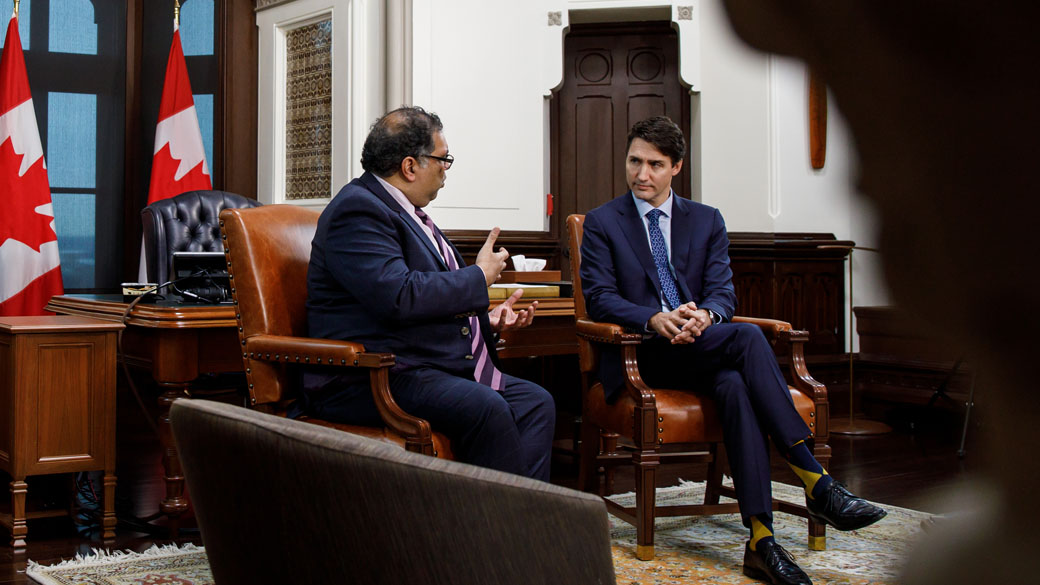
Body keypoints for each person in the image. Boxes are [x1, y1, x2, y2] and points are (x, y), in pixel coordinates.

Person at [579, 116, 886, 585]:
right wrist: (655, 319)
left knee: (735, 385)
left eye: (655, 165)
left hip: (702, 347)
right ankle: (813, 478)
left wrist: (707, 316)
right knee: (747, 339)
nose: (641, 174)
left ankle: (761, 541)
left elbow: (723, 294)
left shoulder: (706, 220)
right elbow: (599, 296)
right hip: (643, 352)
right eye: (634, 161)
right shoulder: (603, 222)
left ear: (676, 167)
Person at [302, 106, 555, 481]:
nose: (446, 169)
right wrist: (479, 276)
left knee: (536, 402)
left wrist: (485, 319)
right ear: (409, 166)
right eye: (443, 159)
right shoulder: (357, 210)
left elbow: (422, 295)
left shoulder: (405, 211)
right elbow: (399, 296)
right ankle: (496, 529)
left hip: (418, 365)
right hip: (370, 375)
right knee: (488, 407)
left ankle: (526, 519)